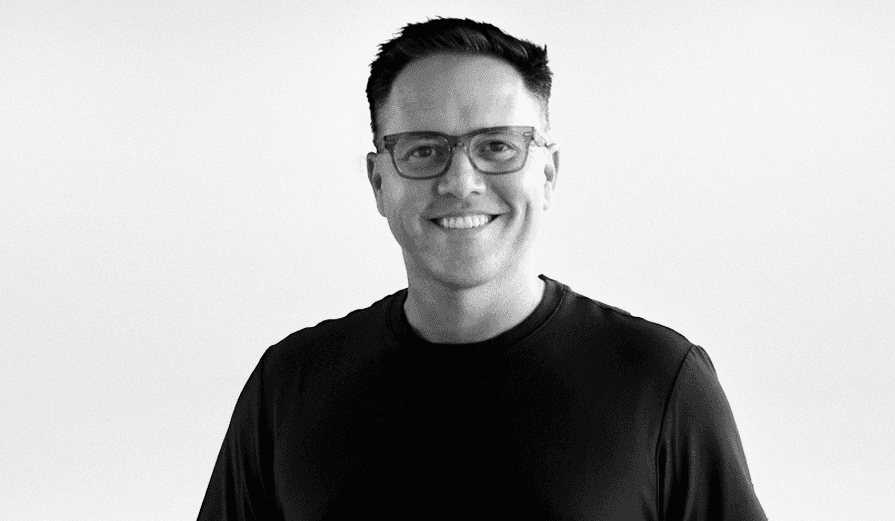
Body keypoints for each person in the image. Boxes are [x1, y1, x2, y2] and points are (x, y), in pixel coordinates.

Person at [198, 18, 767, 520]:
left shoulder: (658, 381)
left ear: (547, 174)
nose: (461, 182)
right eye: (424, 149)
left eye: (496, 146)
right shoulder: (291, 385)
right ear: (378, 181)